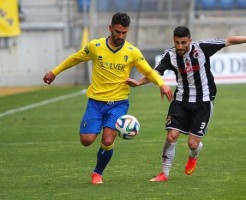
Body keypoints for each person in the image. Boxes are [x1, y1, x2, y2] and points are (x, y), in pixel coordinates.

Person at [126, 26, 246, 181]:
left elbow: (229, 40)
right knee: (171, 136)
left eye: (184, 42)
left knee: (193, 144)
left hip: (203, 102)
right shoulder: (170, 55)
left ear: (190, 40)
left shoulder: (202, 48)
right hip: (181, 100)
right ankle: (164, 173)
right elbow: (154, 73)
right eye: (177, 43)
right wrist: (138, 82)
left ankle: (194, 155)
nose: (180, 46)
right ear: (173, 41)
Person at [43, 12, 173, 184]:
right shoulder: (95, 46)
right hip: (95, 102)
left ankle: (97, 173)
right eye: (117, 32)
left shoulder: (132, 52)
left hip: (118, 104)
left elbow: (149, 71)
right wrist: (55, 72)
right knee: (86, 140)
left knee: (108, 138)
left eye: (124, 33)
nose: (120, 36)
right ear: (110, 28)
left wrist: (162, 84)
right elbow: (75, 58)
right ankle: (97, 153)